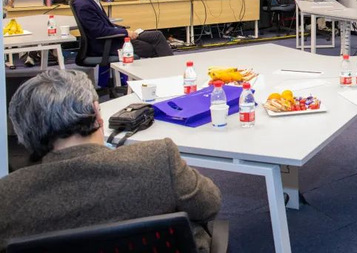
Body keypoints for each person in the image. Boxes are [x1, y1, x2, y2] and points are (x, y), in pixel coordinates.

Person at [0, 69, 221, 252]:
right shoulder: (157, 158)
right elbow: (209, 205)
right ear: (97, 113)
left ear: (24, 132)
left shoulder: (7, 196)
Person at [74, 0, 173, 58]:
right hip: (106, 44)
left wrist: (125, 30)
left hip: (114, 37)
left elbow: (104, 24)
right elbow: (99, 31)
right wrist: (125, 32)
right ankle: (168, 68)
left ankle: (170, 66)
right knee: (151, 48)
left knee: (157, 35)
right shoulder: (84, 4)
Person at [3, 0, 34, 68]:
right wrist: (11, 3)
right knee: (21, 28)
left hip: (28, 18)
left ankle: (32, 54)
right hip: (12, 21)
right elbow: (4, 11)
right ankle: (26, 56)